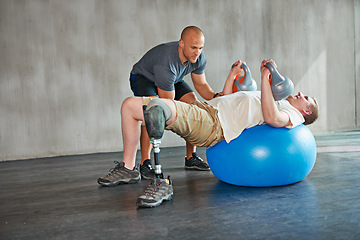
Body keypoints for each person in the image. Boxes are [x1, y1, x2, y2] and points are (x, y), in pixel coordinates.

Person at [97, 59, 319, 207]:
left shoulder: (292, 114)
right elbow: (228, 98)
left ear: (306, 111)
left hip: (211, 124)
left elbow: (272, 118)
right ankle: (128, 168)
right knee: (128, 106)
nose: (300, 93)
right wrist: (232, 76)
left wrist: (265, 79)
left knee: (158, 107)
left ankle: (160, 182)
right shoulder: (275, 100)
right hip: (208, 110)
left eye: (306, 97)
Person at [128, 26, 219, 180]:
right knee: (151, 114)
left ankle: (191, 157)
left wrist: (218, 95)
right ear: (181, 43)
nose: (197, 52)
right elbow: (167, 104)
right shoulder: (167, 63)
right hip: (144, 77)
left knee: (193, 107)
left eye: (200, 48)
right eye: (193, 47)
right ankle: (145, 163)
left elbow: (202, 86)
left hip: (172, 79)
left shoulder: (198, 57)